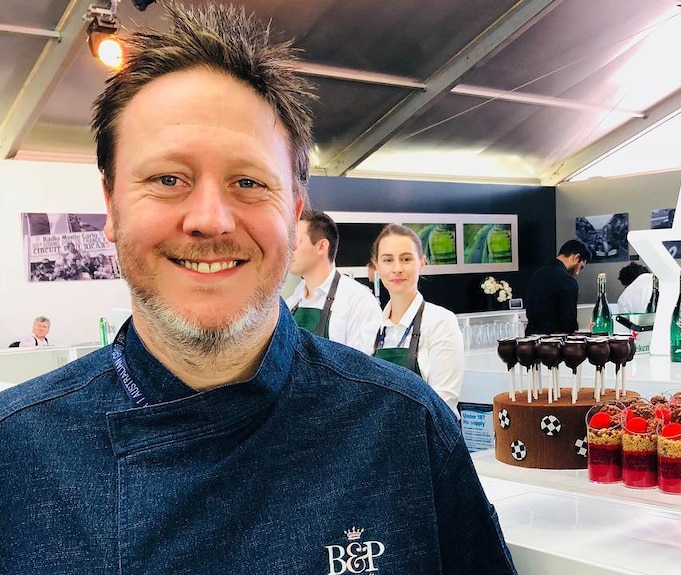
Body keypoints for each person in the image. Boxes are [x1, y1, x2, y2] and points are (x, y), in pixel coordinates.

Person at [0, 4, 516, 574]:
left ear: (293, 212)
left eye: (248, 182)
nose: (211, 220)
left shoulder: (404, 428)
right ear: (112, 207)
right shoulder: (16, 449)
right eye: (167, 179)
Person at [371, 224, 464, 417]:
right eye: (388, 260)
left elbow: (443, 404)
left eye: (406, 259)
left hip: (429, 441)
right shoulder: (370, 327)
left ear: (422, 263)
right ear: (377, 266)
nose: (397, 269)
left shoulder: (440, 322)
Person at [285, 209, 381, 354]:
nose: (290, 249)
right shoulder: (291, 302)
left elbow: (361, 368)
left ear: (321, 246)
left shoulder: (358, 301)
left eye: (296, 242)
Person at [525, 239, 591, 335]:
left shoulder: (537, 275)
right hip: (553, 345)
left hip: (531, 340)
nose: (577, 273)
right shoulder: (567, 281)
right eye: (580, 267)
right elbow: (568, 324)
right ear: (576, 258)